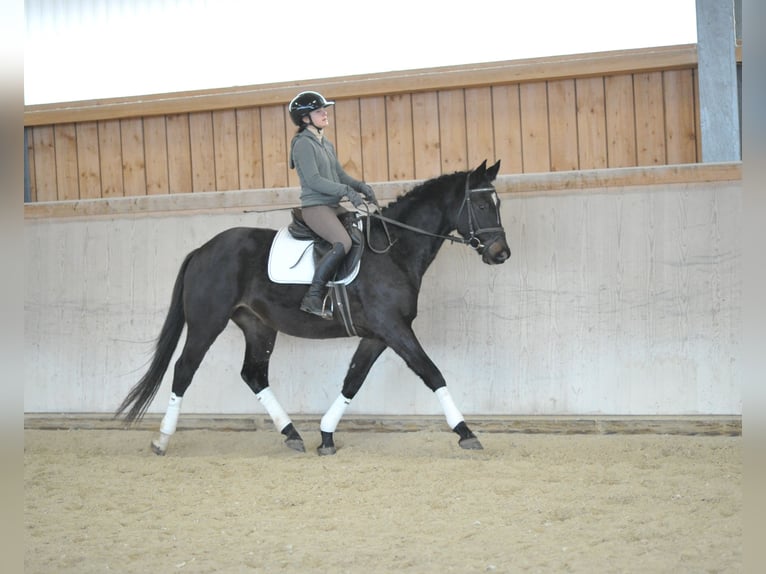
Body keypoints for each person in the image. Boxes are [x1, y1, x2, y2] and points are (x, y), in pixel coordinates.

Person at [288, 90, 377, 319]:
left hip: (332, 205)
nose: (325, 113)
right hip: (316, 207)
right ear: (305, 118)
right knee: (342, 242)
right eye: (319, 111)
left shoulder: (324, 142)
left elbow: (339, 174)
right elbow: (314, 180)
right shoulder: (303, 145)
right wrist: (345, 191)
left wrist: (359, 186)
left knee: (360, 232)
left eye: (324, 110)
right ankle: (314, 296)